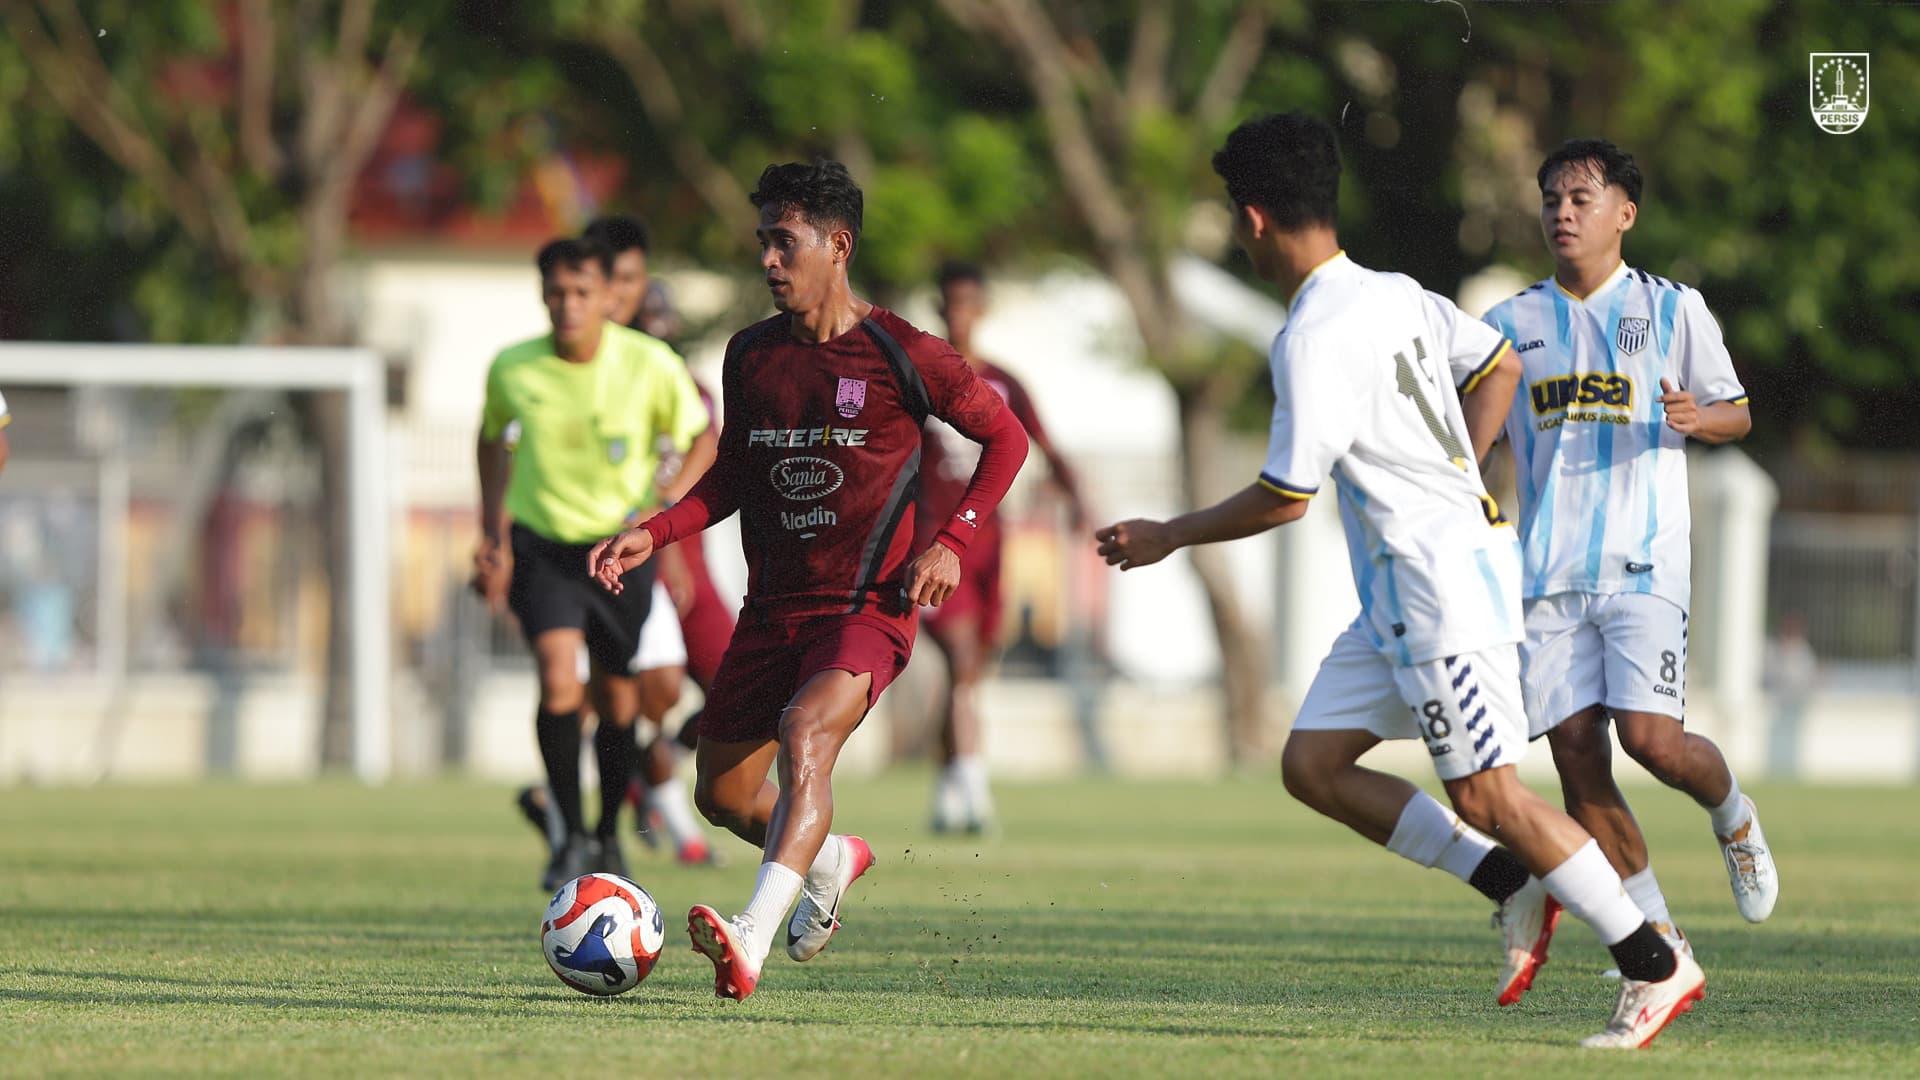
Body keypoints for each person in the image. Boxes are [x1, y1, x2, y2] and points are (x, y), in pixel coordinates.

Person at [1096, 112, 1704, 1049]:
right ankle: (1508, 883)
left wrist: (1169, 534)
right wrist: (1454, 467)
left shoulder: (1310, 336)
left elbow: (1285, 496)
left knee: (1493, 798)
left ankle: (1657, 964)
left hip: (1438, 589)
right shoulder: (1388, 290)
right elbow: (1497, 363)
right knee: (1313, 765)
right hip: (1402, 592)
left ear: (1252, 220)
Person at [589, 160, 1030, 1001]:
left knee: (806, 734)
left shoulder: (907, 352)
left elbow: (1006, 439)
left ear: (839, 245)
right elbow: (732, 480)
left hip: (870, 605)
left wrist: (953, 540)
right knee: (721, 793)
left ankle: (749, 939)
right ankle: (831, 857)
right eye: (762, 243)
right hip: (773, 608)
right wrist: (653, 531)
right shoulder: (751, 356)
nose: (768, 260)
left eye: (782, 242)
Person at [1481, 139, 1776, 950]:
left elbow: (1736, 411)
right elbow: (1477, 440)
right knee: (1578, 757)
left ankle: (1733, 815)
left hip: (1643, 565)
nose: (1562, 213)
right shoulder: (1509, 323)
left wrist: (1698, 419)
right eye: (1551, 200)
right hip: (1547, 573)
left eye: (1580, 199)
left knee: (1652, 743)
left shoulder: (1675, 308)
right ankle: (1657, 941)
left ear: (1625, 213)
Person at [474, 235, 708, 889]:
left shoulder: (650, 363)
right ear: (543, 296)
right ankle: (569, 837)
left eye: (582, 292)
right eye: (557, 293)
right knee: (557, 681)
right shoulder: (513, 368)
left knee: (618, 698)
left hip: (618, 552)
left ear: (609, 296)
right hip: (543, 548)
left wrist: (661, 510)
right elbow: (492, 437)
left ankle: (608, 834)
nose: (569, 305)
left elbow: (701, 437)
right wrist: (491, 528)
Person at [918, 261, 1087, 834]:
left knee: (973, 670)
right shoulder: (920, 378)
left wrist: (1078, 501)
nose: (959, 314)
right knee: (961, 660)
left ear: (981, 309)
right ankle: (972, 790)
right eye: (951, 303)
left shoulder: (1004, 382)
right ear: (940, 308)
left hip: (990, 545)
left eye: (969, 303)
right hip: (932, 546)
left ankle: (949, 786)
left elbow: (1042, 442)